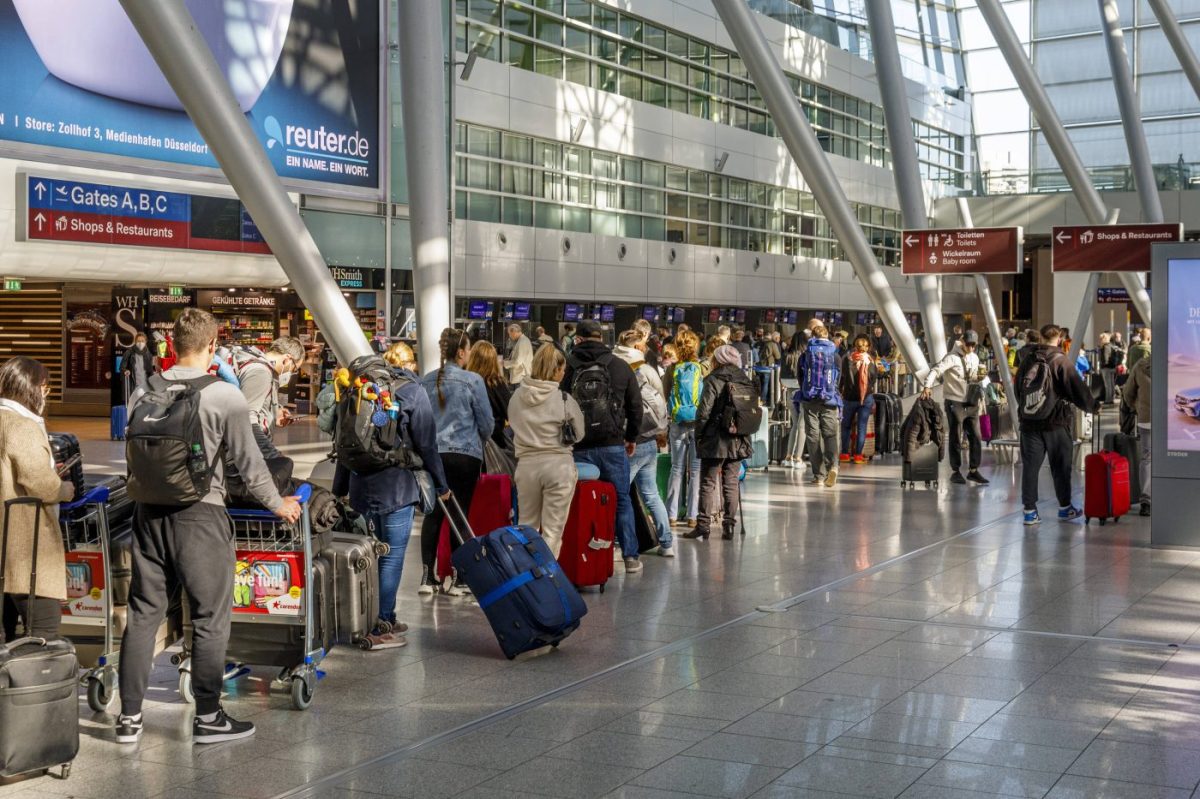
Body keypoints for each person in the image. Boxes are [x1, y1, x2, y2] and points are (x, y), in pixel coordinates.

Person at [117, 309, 302, 745]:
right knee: (209, 618)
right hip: (200, 516)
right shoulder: (223, 396)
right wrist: (279, 505)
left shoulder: (144, 393)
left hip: (148, 515)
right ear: (213, 345)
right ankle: (208, 716)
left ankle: (128, 718)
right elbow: (251, 466)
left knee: (143, 614)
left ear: (172, 344)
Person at [346, 342, 448, 648]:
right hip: (396, 487)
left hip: (360, 484)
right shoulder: (413, 391)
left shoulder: (359, 390)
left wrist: (339, 490)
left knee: (369, 555)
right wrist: (441, 484)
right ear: (411, 365)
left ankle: (374, 617)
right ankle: (380, 624)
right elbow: (427, 444)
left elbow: (345, 444)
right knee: (390, 557)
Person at [0, 357, 73, 645]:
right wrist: (64, 489)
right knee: (43, 634)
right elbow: (40, 483)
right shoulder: (21, 426)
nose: (46, 395)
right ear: (31, 388)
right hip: (25, 549)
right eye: (45, 388)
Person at [561, 320, 643, 572]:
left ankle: (580, 554)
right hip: (612, 445)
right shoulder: (620, 366)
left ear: (578, 339)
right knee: (621, 500)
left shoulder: (567, 367)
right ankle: (630, 557)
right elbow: (636, 407)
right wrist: (631, 437)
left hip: (579, 446)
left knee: (578, 501)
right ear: (602, 338)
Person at [419, 328, 494, 595]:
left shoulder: (426, 381)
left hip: (433, 455)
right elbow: (487, 423)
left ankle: (427, 577)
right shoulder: (473, 381)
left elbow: (420, 421)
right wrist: (478, 438)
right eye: (469, 349)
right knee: (459, 513)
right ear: (461, 352)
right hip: (465, 456)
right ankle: (458, 578)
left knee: (434, 514)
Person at [1017, 325, 1099, 525]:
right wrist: (1093, 406)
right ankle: (1065, 508)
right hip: (1056, 423)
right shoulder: (1061, 361)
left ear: (1040, 337)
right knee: (1061, 467)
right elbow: (1077, 388)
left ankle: (1029, 512)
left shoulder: (1027, 359)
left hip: (1029, 423)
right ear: (1060, 338)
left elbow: (1018, 388)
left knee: (1030, 468)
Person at [509, 346, 583, 556]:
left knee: (526, 527)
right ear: (556, 370)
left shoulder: (516, 397)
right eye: (562, 369)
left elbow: (513, 424)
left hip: (526, 467)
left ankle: (526, 571)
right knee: (552, 532)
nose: (564, 373)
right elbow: (579, 434)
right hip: (558, 467)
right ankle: (545, 572)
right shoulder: (564, 399)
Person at [683, 345, 754, 541]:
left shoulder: (713, 379)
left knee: (708, 482)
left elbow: (704, 412)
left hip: (715, 439)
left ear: (719, 359)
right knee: (731, 483)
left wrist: (699, 435)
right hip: (739, 437)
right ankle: (729, 526)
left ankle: (703, 526)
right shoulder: (744, 379)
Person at [615, 330, 674, 557]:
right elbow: (661, 401)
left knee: (621, 495)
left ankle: (624, 544)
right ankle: (667, 544)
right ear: (639, 347)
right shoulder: (648, 370)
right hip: (649, 439)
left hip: (629, 441)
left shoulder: (617, 368)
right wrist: (662, 431)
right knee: (651, 494)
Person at [922, 330, 989, 486]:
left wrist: (980, 377)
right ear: (962, 341)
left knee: (976, 436)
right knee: (955, 436)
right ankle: (956, 471)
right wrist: (927, 386)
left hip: (971, 401)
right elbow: (936, 370)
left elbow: (972, 377)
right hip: (954, 401)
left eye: (974, 345)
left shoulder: (974, 357)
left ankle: (973, 470)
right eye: (968, 344)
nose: (971, 348)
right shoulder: (951, 357)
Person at [234, 336, 305, 460]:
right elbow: (246, 417)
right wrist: (269, 453)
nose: (292, 373)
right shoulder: (260, 372)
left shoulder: (265, 370)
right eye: (294, 369)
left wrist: (274, 413)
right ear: (287, 359)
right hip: (249, 452)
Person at [662, 330, 703, 529]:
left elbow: (665, 394)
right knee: (695, 470)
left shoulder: (672, 369)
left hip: (677, 422)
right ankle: (692, 516)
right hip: (697, 424)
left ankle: (671, 515)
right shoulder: (701, 368)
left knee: (676, 468)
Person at [797, 324, 842, 486]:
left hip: (810, 400)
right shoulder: (835, 355)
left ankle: (819, 475)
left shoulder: (806, 355)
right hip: (829, 400)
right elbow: (838, 379)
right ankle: (833, 467)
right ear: (827, 336)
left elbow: (800, 377)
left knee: (813, 436)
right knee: (830, 435)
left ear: (813, 337)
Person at [1122, 340, 1153, 516]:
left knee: (1147, 458)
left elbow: (1128, 393)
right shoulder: (1178, 366)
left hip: (1146, 419)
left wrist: (1137, 407)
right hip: (1172, 422)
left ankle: (1146, 501)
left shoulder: (1141, 365)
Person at [466, 339, 513, 452]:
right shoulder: (497, 384)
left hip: (467, 444)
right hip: (493, 445)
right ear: (493, 361)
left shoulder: (464, 382)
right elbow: (511, 413)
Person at [840, 334, 878, 464]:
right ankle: (858, 456)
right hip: (865, 398)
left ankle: (844, 454)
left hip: (849, 398)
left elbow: (842, 377)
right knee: (862, 427)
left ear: (855, 347)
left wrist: (841, 391)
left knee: (846, 426)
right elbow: (873, 379)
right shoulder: (871, 361)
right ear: (867, 348)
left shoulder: (847, 360)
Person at [120, 331, 156, 397]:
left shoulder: (148, 354)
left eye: (142, 341)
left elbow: (150, 371)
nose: (140, 343)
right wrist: (125, 371)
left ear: (145, 342)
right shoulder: (129, 353)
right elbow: (122, 367)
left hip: (145, 386)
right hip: (133, 385)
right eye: (138, 341)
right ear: (135, 342)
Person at [502, 323, 534, 387]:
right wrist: (508, 360)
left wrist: (504, 363)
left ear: (514, 332)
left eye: (509, 334)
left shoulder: (523, 342)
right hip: (520, 377)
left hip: (521, 378)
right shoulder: (522, 340)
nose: (509, 336)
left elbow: (517, 362)